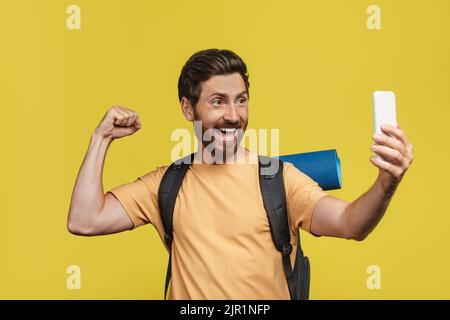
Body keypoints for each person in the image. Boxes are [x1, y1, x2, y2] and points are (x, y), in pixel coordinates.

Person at [67, 49, 414, 299]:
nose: (233, 115)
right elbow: (84, 220)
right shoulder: (166, 184)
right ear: (188, 108)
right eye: (218, 101)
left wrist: (387, 182)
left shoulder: (279, 179)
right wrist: (100, 140)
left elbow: (350, 224)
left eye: (241, 100)